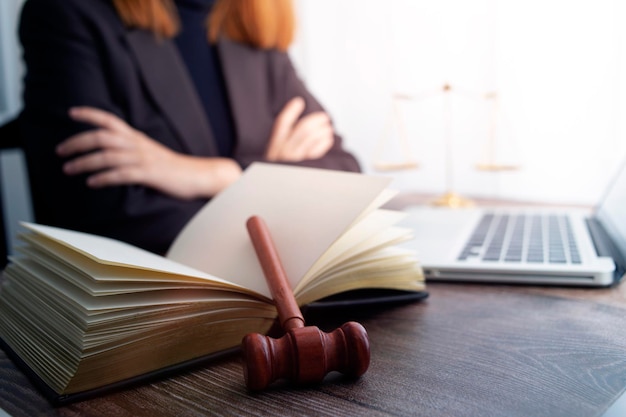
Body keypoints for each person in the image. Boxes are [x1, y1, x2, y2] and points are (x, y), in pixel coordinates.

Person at [18, 0, 361, 254]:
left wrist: (208, 175)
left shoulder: (249, 24)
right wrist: (275, 185)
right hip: (143, 309)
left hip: (273, 306)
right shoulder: (67, 14)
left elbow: (349, 178)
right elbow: (103, 215)